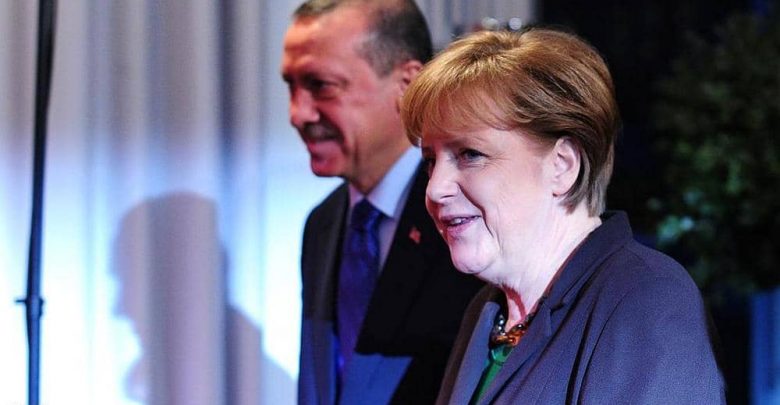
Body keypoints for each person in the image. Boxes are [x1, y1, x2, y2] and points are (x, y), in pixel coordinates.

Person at [401, 28, 726, 404]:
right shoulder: (486, 312)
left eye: (470, 154)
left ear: (562, 165)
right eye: (431, 161)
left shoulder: (648, 298)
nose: (435, 188)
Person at [281, 1, 484, 404]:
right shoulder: (322, 224)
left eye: (321, 85)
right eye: (291, 85)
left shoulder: (467, 218)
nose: (298, 113)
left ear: (407, 84)